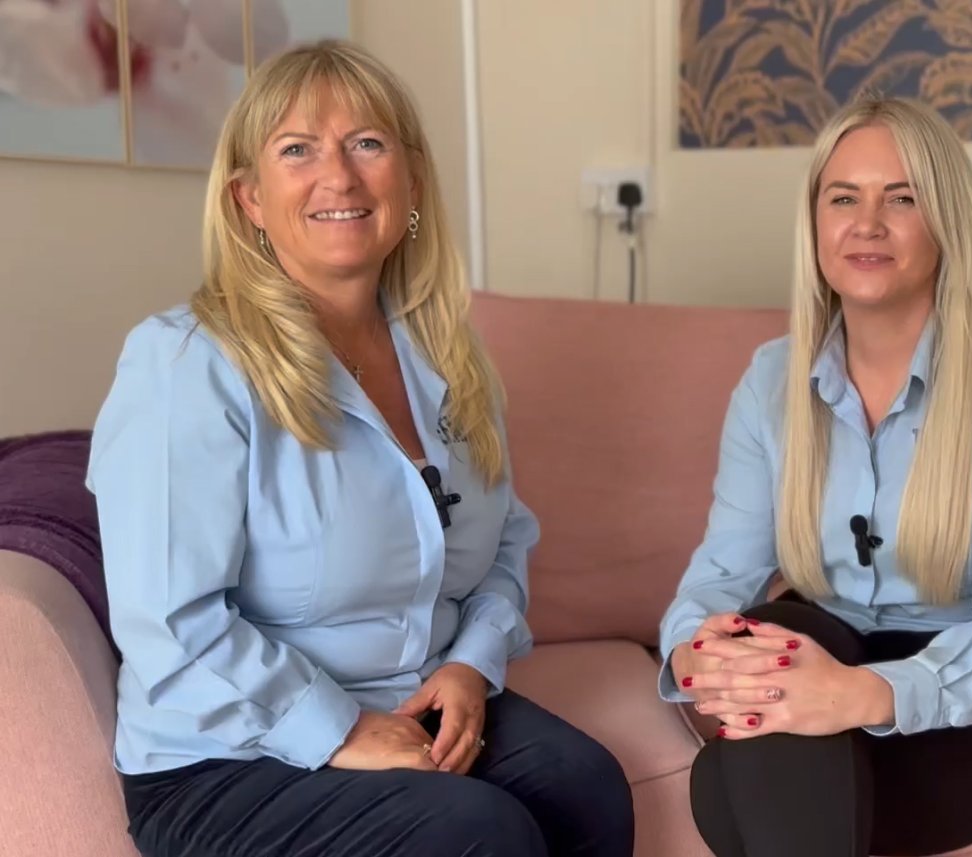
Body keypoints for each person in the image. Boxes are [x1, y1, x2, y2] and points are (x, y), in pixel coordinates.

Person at [87, 40, 633, 857]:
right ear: (249, 200)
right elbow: (170, 617)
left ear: (408, 183)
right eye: (297, 149)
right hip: (227, 751)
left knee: (583, 784)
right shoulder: (185, 362)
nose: (337, 175)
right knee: (477, 832)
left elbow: (506, 537)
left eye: (367, 144)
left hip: (411, 693)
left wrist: (472, 666)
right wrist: (338, 727)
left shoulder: (447, 354)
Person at [658, 96, 972, 857]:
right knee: (778, 642)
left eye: (902, 198)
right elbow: (722, 571)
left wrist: (865, 694)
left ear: (946, 223)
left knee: (728, 786)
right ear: (816, 225)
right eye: (844, 198)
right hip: (826, 644)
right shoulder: (771, 381)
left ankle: (760, 766)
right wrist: (689, 651)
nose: (867, 223)